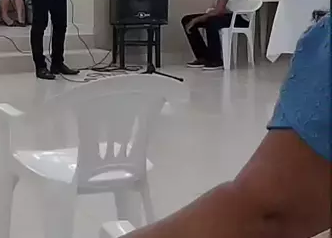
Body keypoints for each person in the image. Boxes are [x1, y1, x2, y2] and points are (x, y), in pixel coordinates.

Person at [124, 15, 331, 238]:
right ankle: (205, 56)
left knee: (208, 23)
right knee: (191, 20)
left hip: (235, 16)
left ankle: (214, 58)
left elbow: (271, 212)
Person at [163, 0, 250, 70]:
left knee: (211, 21)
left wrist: (197, 20)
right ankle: (203, 57)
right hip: (227, 14)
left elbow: (218, 11)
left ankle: (216, 60)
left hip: (240, 18)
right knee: (187, 20)